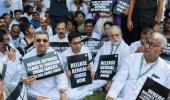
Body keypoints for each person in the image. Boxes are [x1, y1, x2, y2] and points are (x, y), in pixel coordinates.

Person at [106, 32, 170, 100]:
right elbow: (120, 78)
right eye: (147, 42)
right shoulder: (132, 58)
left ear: (161, 50)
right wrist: (111, 95)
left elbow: (166, 93)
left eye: (152, 45)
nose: (147, 46)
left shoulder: (167, 69)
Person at [22, 31, 68, 100]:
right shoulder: (26, 58)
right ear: (34, 42)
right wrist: (25, 81)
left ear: (48, 43)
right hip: (35, 92)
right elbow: (22, 78)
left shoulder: (55, 55)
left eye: (45, 40)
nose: (41, 43)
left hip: (53, 91)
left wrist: (62, 91)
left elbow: (61, 75)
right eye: (38, 40)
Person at [61, 31, 94, 99]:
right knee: (70, 95)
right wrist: (66, 74)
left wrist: (91, 70)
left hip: (85, 80)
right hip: (71, 82)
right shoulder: (63, 55)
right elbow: (61, 74)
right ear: (69, 44)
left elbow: (91, 65)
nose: (78, 45)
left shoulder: (86, 50)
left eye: (80, 42)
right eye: (75, 43)